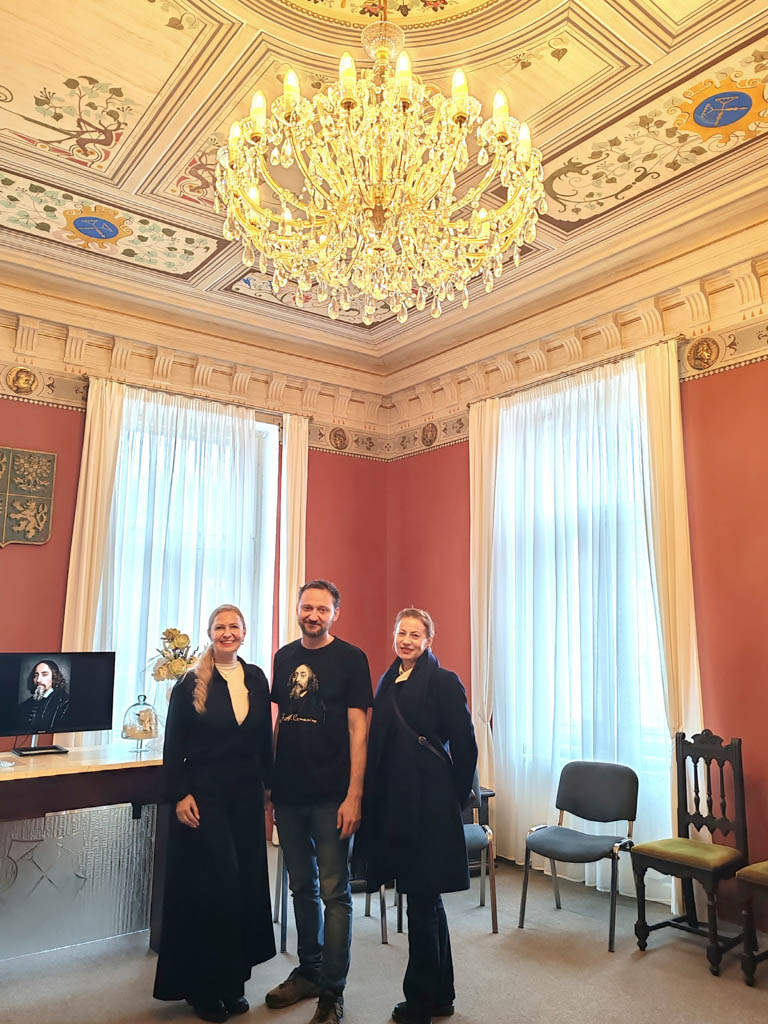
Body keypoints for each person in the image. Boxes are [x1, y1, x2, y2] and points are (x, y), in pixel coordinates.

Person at [153, 604, 276, 1023]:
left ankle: (231, 982)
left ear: (244, 632)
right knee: (216, 886)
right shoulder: (190, 682)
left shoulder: (255, 678)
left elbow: (264, 739)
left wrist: (271, 789)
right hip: (205, 797)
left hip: (246, 796)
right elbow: (174, 744)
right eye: (220, 627)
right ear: (210, 633)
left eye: (234, 626)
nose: (227, 633)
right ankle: (203, 988)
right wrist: (179, 794)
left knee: (244, 886)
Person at [357, 608, 477, 1024]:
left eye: (415, 634)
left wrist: (451, 797)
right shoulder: (388, 680)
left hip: (428, 804)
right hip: (396, 804)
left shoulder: (443, 681)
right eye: (401, 633)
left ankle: (421, 1002)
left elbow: (465, 746)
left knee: (421, 903)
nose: (406, 640)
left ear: (429, 640)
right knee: (424, 899)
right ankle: (441, 994)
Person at [266, 579, 372, 1024]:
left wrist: (355, 795)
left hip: (333, 796)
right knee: (300, 888)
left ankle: (332, 991)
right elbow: (280, 723)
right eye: (307, 607)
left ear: (335, 613)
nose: (313, 615)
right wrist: (270, 786)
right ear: (298, 609)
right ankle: (308, 971)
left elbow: (358, 731)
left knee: (335, 893)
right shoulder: (283, 657)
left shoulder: (352, 659)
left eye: (322, 609)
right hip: (289, 794)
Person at [16, 659, 70, 733]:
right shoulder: (25, 704)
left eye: (44, 675)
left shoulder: (64, 702)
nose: (38, 680)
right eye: (36, 675)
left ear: (54, 677)